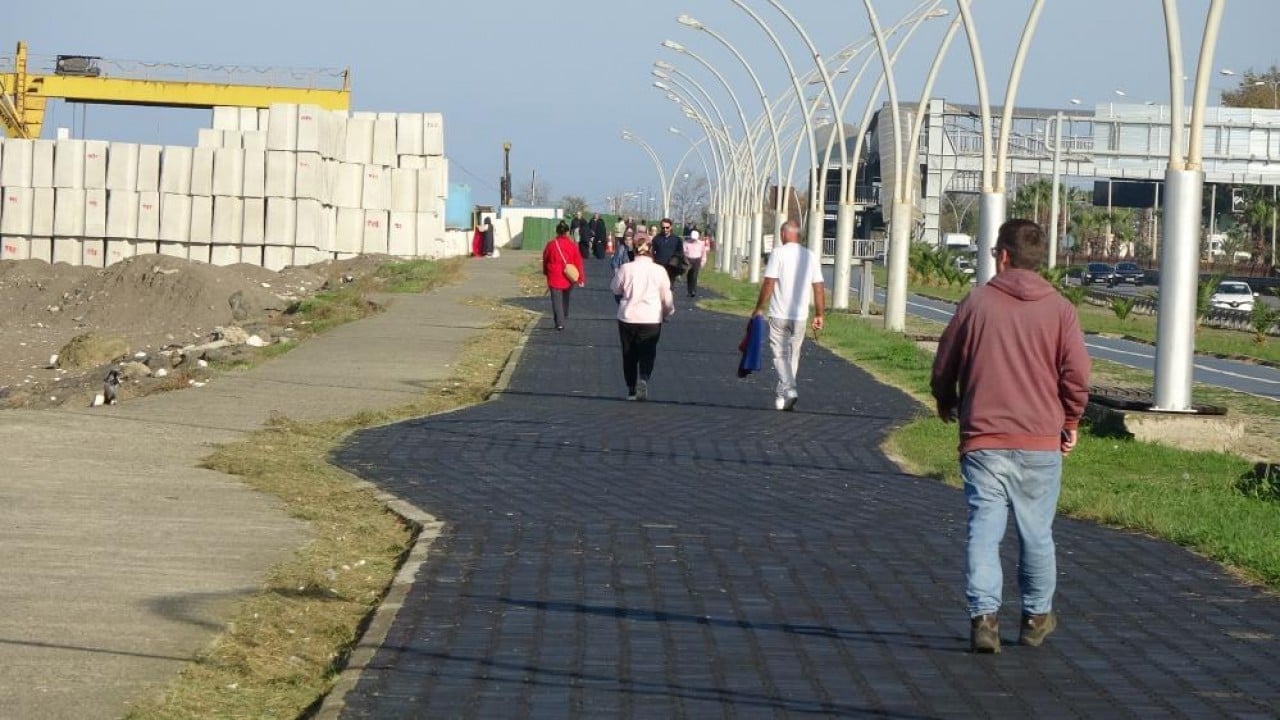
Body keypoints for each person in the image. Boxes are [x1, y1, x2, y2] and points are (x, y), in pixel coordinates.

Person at [930, 218, 1090, 655]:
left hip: (984, 438)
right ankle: (1036, 617)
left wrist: (945, 398)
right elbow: (1077, 375)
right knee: (1036, 532)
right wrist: (1071, 420)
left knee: (984, 529)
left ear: (1002, 256)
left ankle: (984, 619)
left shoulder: (976, 303)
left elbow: (945, 361)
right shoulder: (1061, 310)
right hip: (1040, 440)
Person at [750, 220, 824, 411]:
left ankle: (789, 389)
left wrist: (759, 307)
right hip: (800, 315)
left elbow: (769, 283)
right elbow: (818, 287)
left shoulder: (778, 253)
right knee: (793, 355)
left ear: (783, 234)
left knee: (780, 355)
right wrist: (819, 314)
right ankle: (783, 393)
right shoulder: (811, 256)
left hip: (779, 313)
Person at [610, 236, 675, 400]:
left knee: (629, 353)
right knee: (648, 351)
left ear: (634, 251)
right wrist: (667, 313)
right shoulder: (659, 270)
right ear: (651, 251)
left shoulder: (626, 268)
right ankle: (644, 378)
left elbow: (615, 288)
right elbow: (667, 297)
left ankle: (631, 389)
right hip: (651, 317)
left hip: (628, 317)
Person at [541, 221, 586, 331]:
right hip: (568, 276)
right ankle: (563, 315)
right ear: (567, 232)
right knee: (565, 298)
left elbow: (545, 258)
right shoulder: (572, 245)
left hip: (554, 275)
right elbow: (578, 262)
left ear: (557, 232)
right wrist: (581, 278)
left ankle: (559, 322)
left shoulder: (551, 244)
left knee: (556, 300)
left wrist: (545, 271)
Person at [651, 218, 685, 287]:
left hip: (671, 268)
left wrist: (675, 260)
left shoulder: (677, 239)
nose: (665, 229)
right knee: (659, 286)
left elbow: (680, 252)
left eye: (667, 227)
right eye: (663, 227)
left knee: (669, 286)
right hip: (659, 267)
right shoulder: (656, 239)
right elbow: (652, 252)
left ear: (671, 227)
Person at [682, 229, 708, 299]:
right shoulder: (686, 243)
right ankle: (689, 290)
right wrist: (684, 260)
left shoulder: (701, 244)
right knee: (689, 276)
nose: (693, 240)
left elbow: (703, 254)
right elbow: (683, 252)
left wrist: (703, 262)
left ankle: (693, 290)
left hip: (697, 260)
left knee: (694, 276)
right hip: (688, 260)